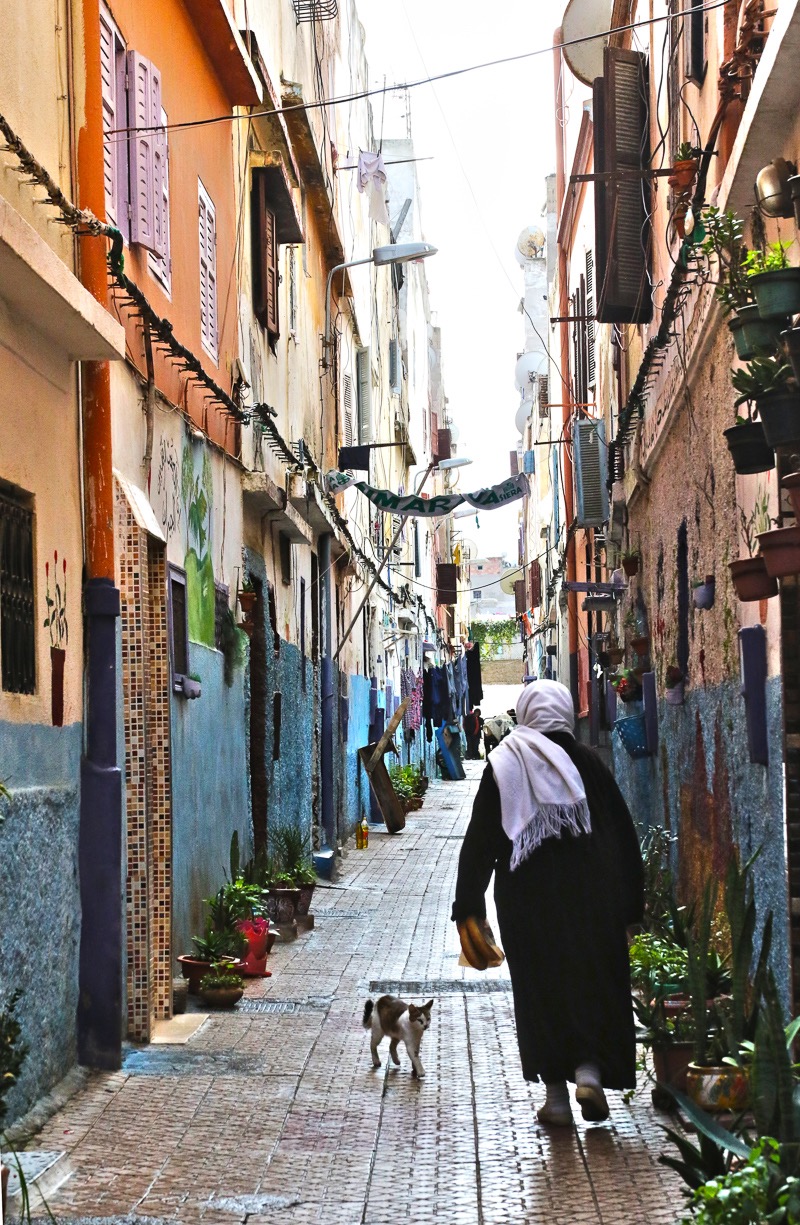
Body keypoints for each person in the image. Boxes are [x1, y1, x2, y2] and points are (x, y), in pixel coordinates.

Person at [452, 679, 644, 1127]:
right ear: (563, 712)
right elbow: (622, 835)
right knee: (592, 980)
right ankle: (589, 1072)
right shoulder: (590, 765)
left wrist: (468, 905)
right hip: (592, 900)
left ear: (527, 714)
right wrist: (631, 907)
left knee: (540, 989)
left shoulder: (504, 765)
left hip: (528, 903)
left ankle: (556, 1099)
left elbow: (479, 842)